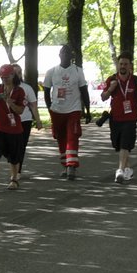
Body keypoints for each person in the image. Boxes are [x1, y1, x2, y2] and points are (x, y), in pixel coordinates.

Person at [44, 43, 92, 180]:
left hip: (74, 109)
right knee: (61, 138)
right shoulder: (51, 72)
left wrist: (87, 111)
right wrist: (50, 108)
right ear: (59, 55)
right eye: (62, 52)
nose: (65, 54)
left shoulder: (78, 71)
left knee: (73, 136)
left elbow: (84, 91)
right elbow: (47, 92)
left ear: (72, 56)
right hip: (57, 110)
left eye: (68, 52)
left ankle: (72, 166)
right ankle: (65, 165)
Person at [0, 64, 29, 192]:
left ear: (13, 75)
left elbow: (20, 111)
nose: (4, 80)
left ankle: (14, 179)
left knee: (14, 157)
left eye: (6, 77)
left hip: (14, 130)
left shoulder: (20, 91)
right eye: (2, 77)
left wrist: (10, 102)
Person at [102, 55, 137, 182]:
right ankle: (128, 169)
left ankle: (120, 171)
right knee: (120, 145)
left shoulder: (135, 81)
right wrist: (111, 88)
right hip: (115, 119)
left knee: (124, 144)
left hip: (130, 119)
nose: (123, 66)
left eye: (125, 64)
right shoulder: (111, 79)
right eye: (121, 64)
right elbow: (103, 97)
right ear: (118, 65)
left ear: (130, 66)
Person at [10, 63, 42, 187]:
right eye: (14, 72)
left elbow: (33, 105)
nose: (18, 74)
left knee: (21, 146)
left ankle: (17, 171)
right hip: (10, 122)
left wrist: (38, 120)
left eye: (19, 72)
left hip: (25, 120)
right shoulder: (6, 87)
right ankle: (14, 167)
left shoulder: (27, 88)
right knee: (12, 147)